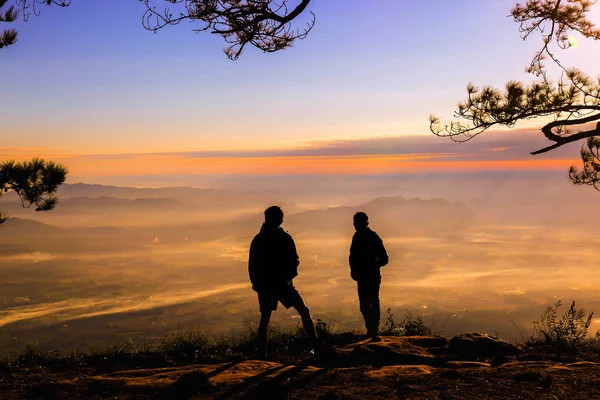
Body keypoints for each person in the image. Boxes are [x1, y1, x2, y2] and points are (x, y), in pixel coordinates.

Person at [248, 205, 318, 357]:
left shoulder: (260, 239)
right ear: (280, 220)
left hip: (271, 285)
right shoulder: (282, 238)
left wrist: (256, 284)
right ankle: (316, 346)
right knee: (303, 311)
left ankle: (261, 354)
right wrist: (288, 277)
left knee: (265, 319)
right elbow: (295, 260)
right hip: (281, 285)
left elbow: (252, 265)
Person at [349, 211, 389, 340]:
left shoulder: (373, 238)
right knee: (364, 304)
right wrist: (353, 270)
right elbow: (352, 257)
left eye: (358, 224)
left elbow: (384, 258)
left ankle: (373, 331)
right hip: (362, 277)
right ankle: (371, 329)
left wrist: (372, 266)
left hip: (371, 276)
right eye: (356, 224)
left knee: (372, 301)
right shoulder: (356, 237)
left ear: (366, 223)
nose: (357, 226)